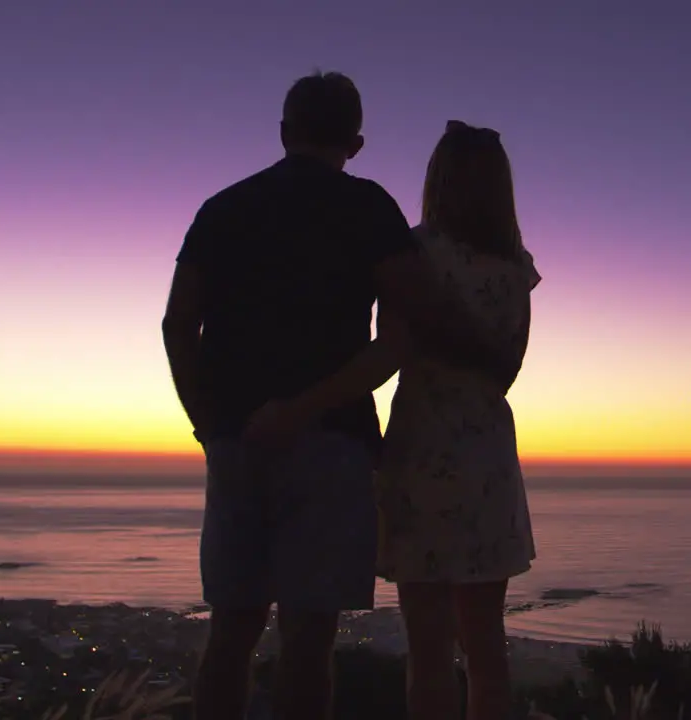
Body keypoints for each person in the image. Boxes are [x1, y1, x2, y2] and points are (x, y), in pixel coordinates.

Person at [162, 74, 521, 720]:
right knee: (309, 640)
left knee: (231, 633)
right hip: (334, 445)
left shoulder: (222, 209)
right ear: (355, 142)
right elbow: (403, 336)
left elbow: (176, 326)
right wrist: (307, 410)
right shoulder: (370, 211)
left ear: (282, 132)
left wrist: (207, 426)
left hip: (239, 443)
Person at [268, 120, 539, 720]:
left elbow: (390, 350)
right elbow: (507, 370)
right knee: (486, 645)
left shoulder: (414, 254)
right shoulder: (515, 267)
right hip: (489, 457)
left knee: (429, 650)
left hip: (422, 452)